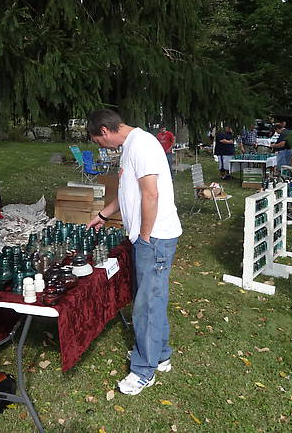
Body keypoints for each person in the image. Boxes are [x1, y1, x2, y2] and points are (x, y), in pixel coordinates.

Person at [86, 109, 182, 396]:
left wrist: (145, 235)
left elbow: (151, 193)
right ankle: (160, 354)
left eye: (98, 141)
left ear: (105, 131)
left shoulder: (142, 145)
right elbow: (129, 192)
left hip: (155, 237)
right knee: (153, 298)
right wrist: (102, 215)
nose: (101, 146)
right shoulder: (130, 146)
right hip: (150, 237)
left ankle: (143, 370)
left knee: (146, 305)